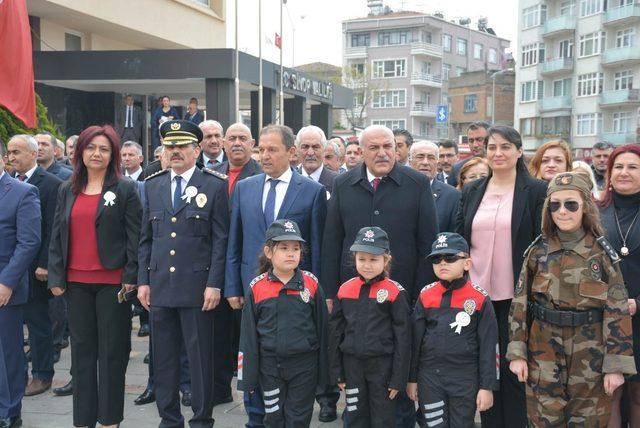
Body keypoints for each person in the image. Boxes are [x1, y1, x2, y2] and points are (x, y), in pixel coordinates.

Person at [322, 124, 439, 427]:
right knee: (359, 389)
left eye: (388, 146)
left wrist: (422, 296)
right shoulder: (344, 183)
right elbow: (333, 241)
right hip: (356, 301)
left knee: (396, 380)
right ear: (360, 152)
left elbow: (427, 242)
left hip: (403, 299)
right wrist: (331, 293)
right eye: (374, 148)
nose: (383, 153)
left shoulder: (416, 183)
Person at [508, 171, 636, 426]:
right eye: (555, 205)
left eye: (571, 204)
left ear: (585, 208)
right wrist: (517, 354)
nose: (562, 211)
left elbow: (617, 310)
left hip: (591, 354)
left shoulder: (602, 255)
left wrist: (615, 365)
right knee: (544, 420)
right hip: (543, 350)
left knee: (588, 421)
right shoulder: (537, 251)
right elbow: (519, 304)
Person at [224, 124, 327, 426]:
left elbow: (317, 249)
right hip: (251, 291)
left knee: (287, 368)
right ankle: (256, 418)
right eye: (262, 150)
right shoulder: (246, 187)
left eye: (272, 150)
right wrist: (232, 286)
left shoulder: (312, 192)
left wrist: (314, 293)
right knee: (253, 355)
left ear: (291, 153)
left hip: (295, 299)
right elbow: (235, 240)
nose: (264, 156)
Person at [48, 124, 142, 428]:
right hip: (76, 284)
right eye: (91, 147)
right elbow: (57, 235)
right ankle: (83, 420)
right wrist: (56, 276)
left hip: (112, 283)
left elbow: (135, 236)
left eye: (103, 148)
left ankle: (110, 420)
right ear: (80, 152)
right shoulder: (68, 188)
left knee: (112, 354)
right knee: (82, 354)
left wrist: (131, 274)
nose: (96, 153)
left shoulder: (124, 188)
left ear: (113, 154)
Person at [137, 120, 229, 428]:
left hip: (197, 287)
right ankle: (169, 418)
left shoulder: (215, 185)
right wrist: (143, 281)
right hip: (161, 285)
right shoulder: (153, 184)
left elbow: (220, 240)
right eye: (170, 146)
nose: (175, 152)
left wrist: (215, 284)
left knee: (200, 358)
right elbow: (145, 240)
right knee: (163, 359)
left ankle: (202, 418)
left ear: (196, 149)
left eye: (182, 146)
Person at [455, 125, 547, 428]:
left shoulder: (535, 191)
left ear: (519, 151)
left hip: (517, 298)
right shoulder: (472, 190)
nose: (498, 153)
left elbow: (542, 244)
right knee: (485, 372)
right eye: (492, 147)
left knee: (515, 372)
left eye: (506, 147)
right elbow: (459, 239)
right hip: (476, 297)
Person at [238, 219, 329, 427]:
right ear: (269, 252)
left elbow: (324, 330)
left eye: (296, 248)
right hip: (269, 368)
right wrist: (248, 379)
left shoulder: (311, 284)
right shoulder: (257, 288)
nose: (291, 253)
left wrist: (327, 374)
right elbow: (248, 338)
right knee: (273, 419)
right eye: (284, 248)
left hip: (304, 367)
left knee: (298, 418)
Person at [408, 232, 498, 427]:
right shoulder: (426, 295)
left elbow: (489, 347)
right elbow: (415, 343)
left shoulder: (480, 299)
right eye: (436, 258)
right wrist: (412, 379)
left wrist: (487, 386)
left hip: (464, 378)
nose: (442, 263)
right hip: (429, 377)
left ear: (467, 263)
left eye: (450, 257)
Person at [329, 227, 410, 427]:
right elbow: (335, 334)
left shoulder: (395, 292)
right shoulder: (345, 290)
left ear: (386, 259)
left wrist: (398, 379)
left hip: (383, 369)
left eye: (373, 260)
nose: (367, 265)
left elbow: (404, 338)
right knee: (355, 417)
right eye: (362, 259)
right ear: (354, 258)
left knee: (383, 420)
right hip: (352, 367)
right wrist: (337, 371)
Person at [7, 135, 62, 397]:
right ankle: (15, 375)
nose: (12, 157)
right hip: (12, 268)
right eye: (9, 152)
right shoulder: (9, 184)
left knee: (39, 323)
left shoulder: (50, 184)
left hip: (36, 270)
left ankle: (42, 374)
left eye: (17, 152)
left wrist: (45, 264)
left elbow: (53, 227)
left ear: (32, 153)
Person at [598, 145, 640, 427]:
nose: (624, 172)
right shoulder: (592, 212)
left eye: (633, 167)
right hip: (602, 317)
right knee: (610, 392)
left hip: (639, 315)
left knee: (638, 394)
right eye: (618, 167)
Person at [0, 150, 41, 428]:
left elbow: (29, 242)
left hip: (5, 285)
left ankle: (10, 411)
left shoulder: (23, 192)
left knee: (9, 352)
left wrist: (6, 283)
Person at [409, 141, 460, 233]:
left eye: (431, 158)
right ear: (410, 161)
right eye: (420, 157)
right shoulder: (395, 190)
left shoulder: (452, 196)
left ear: (437, 163)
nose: (425, 162)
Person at [213, 123, 262, 196]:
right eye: (232, 139)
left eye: (242, 138)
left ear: (252, 144)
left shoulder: (263, 174)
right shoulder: (212, 173)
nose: (237, 143)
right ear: (224, 144)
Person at [296, 125, 338, 194]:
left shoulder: (338, 183)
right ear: (297, 150)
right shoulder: (289, 181)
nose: (310, 153)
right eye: (305, 147)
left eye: (315, 147)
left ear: (324, 150)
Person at [450, 121, 490, 188]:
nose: (475, 145)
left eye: (479, 140)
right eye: (471, 141)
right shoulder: (457, 168)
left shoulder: (500, 165)